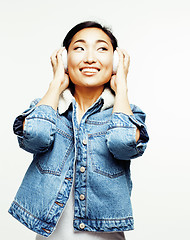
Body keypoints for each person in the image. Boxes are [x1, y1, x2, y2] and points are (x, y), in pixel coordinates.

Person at [8, 21, 149, 240]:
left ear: (116, 62)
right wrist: (56, 83)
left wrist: (122, 87)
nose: (90, 58)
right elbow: (35, 137)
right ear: (64, 58)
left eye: (102, 48)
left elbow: (123, 143)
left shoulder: (129, 114)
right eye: (79, 48)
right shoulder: (45, 108)